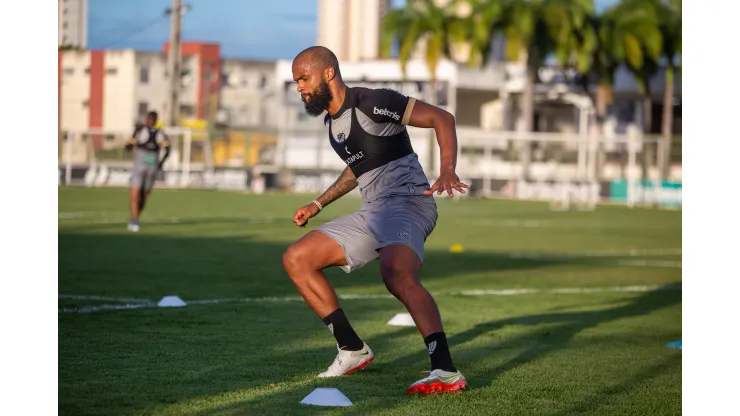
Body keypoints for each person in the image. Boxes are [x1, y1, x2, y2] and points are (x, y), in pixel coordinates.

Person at [281, 46, 469, 395]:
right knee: (297, 259)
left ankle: (444, 370)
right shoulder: (331, 123)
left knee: (396, 273)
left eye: (303, 78)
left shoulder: (372, 101)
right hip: (374, 211)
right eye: (295, 82)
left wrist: (447, 170)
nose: (299, 88)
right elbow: (358, 167)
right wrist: (317, 204)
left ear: (327, 73)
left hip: (409, 201)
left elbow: (442, 118)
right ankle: (351, 348)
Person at [125, 111, 170, 232]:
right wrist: (160, 163)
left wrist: (130, 143)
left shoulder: (141, 131)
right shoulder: (160, 134)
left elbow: (129, 146)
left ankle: (134, 220)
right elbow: (167, 149)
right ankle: (135, 219)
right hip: (152, 165)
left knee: (138, 195)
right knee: (142, 195)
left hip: (141, 164)